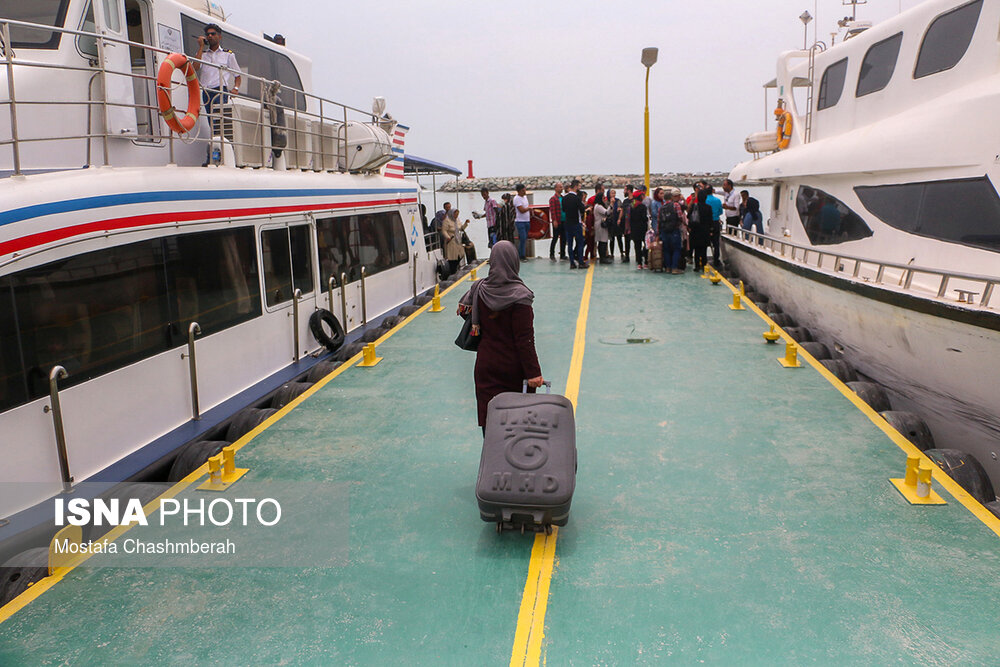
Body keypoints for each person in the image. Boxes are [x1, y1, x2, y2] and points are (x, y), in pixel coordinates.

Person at [457, 241, 543, 433]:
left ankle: (492, 457)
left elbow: (464, 311)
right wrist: (533, 373)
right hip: (513, 368)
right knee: (517, 419)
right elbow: (524, 340)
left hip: (486, 364)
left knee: (490, 416)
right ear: (514, 262)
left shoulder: (479, 289)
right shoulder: (520, 296)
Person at [192, 24, 242, 145]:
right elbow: (195, 67)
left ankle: (220, 150)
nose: (210, 36)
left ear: (219, 37)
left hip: (220, 91)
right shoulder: (202, 54)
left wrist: (235, 88)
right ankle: (216, 149)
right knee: (211, 122)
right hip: (206, 92)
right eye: (208, 34)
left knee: (218, 122)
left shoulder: (228, 54)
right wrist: (200, 47)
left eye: (213, 34)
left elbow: (237, 75)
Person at [561, 180, 587, 269]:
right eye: (579, 186)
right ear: (575, 186)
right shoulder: (576, 198)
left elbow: (563, 209)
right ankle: (580, 262)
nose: (580, 188)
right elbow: (582, 209)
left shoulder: (565, 198)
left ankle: (572, 263)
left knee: (570, 244)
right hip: (576, 222)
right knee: (580, 242)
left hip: (567, 223)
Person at [658, 192, 685, 274]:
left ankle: (668, 268)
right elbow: (680, 217)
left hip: (664, 230)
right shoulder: (676, 205)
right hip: (674, 230)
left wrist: (658, 233)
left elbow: (659, 220)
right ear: (671, 198)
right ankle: (674, 268)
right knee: (676, 249)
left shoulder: (661, 207)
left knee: (666, 249)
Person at [689, 189, 713, 272]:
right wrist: (711, 230)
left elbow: (689, 216)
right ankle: (703, 264)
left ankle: (697, 266)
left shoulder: (694, 206)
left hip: (695, 230)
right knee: (704, 249)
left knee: (696, 249)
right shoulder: (708, 207)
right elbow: (710, 220)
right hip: (705, 230)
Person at [441, 208, 468, 276]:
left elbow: (461, 228)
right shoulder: (447, 221)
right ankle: (452, 271)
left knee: (460, 255)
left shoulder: (457, 220)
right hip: (451, 241)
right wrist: (448, 237)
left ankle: (456, 269)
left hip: (458, 240)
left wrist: (466, 223)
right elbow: (444, 230)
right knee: (452, 257)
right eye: (455, 214)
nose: (456, 216)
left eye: (457, 214)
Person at [705, 186, 724, 268]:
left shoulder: (704, 200)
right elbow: (720, 212)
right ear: (712, 191)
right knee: (716, 243)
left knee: (705, 242)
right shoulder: (718, 200)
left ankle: (704, 259)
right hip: (715, 222)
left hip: (706, 224)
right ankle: (716, 260)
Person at [629, 190, 649, 269]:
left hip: (634, 228)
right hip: (642, 228)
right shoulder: (642, 206)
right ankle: (646, 262)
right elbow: (644, 218)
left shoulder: (631, 205)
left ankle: (639, 263)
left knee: (637, 245)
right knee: (646, 244)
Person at [513, 184, 531, 260]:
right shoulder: (517, 199)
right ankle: (521, 255)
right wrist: (529, 209)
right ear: (519, 191)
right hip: (520, 221)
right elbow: (521, 210)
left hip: (527, 220)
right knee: (522, 238)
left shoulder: (525, 197)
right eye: (523, 190)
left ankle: (523, 254)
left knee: (525, 238)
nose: (524, 192)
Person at [548, 182, 565, 260]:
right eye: (560, 187)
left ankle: (562, 254)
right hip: (557, 221)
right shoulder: (553, 199)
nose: (562, 188)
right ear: (556, 188)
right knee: (555, 237)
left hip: (564, 220)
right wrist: (554, 220)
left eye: (562, 187)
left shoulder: (563, 198)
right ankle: (552, 254)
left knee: (563, 238)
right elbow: (552, 210)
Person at [594, 193, 612, 264]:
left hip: (599, 224)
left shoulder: (597, 206)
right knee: (603, 241)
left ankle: (603, 257)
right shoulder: (598, 206)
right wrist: (611, 205)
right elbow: (606, 212)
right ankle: (603, 258)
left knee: (602, 241)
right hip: (600, 225)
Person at [617, 184, 633, 262]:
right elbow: (622, 210)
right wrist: (619, 219)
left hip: (633, 223)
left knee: (636, 240)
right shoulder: (625, 201)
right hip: (626, 225)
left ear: (629, 191)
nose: (624, 191)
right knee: (627, 241)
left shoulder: (634, 200)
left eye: (625, 190)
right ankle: (627, 256)